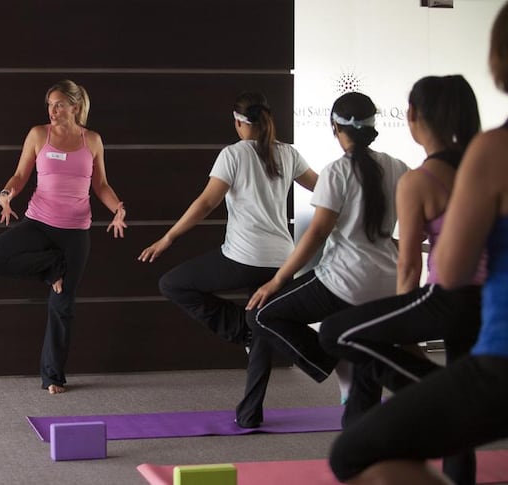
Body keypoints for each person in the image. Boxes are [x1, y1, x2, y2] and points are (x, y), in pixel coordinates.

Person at [329, 5, 508, 484]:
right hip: (480, 312)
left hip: (474, 320)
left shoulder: (483, 156)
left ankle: (434, 392)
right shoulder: (462, 159)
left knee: (351, 445)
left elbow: (437, 269)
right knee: (456, 424)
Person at [137, 92, 317, 427]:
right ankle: (250, 413)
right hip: (281, 261)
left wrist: (168, 237)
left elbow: (205, 204)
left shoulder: (232, 155)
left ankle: (241, 330)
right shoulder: (288, 153)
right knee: (261, 325)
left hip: (243, 256)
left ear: (238, 122)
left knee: (173, 284)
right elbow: (324, 191)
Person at [241, 91, 409, 427]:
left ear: (335, 127)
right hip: (385, 283)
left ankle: (332, 360)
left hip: (343, 280)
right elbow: (395, 228)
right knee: (362, 354)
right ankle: (359, 422)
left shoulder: (337, 171)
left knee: (260, 315)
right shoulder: (397, 166)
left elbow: (317, 233)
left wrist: (276, 281)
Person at [0, 79, 127, 394]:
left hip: (75, 233)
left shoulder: (93, 140)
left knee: (62, 305)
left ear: (75, 106)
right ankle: (51, 268)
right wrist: (6, 194)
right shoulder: (38, 135)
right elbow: (20, 175)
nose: (53, 110)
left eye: (59, 104)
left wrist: (117, 208)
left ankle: (53, 377)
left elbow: (101, 185)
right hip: (39, 223)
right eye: (50, 105)